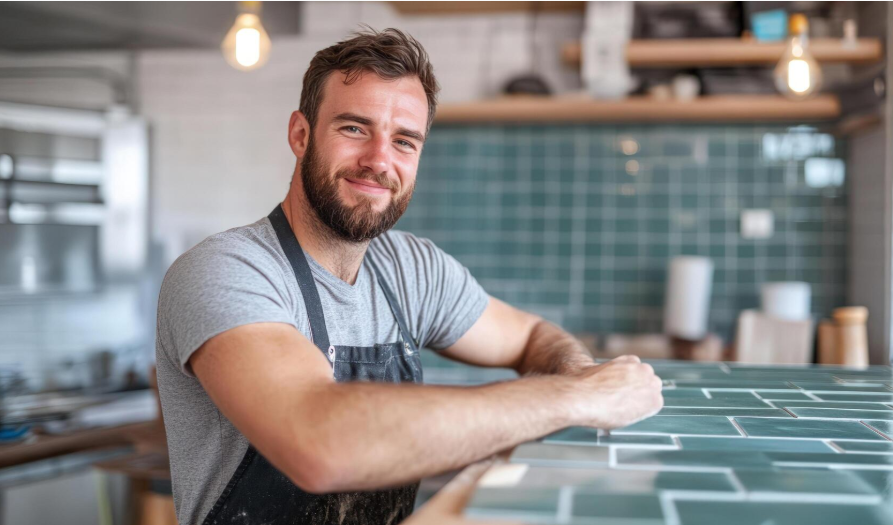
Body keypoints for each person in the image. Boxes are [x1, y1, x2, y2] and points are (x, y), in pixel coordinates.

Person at [155, 27, 663, 525]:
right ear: (301, 134)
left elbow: (531, 335)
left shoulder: (410, 270)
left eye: (404, 141)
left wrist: (579, 371)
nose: (379, 160)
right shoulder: (226, 270)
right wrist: (578, 397)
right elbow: (321, 442)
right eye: (354, 128)